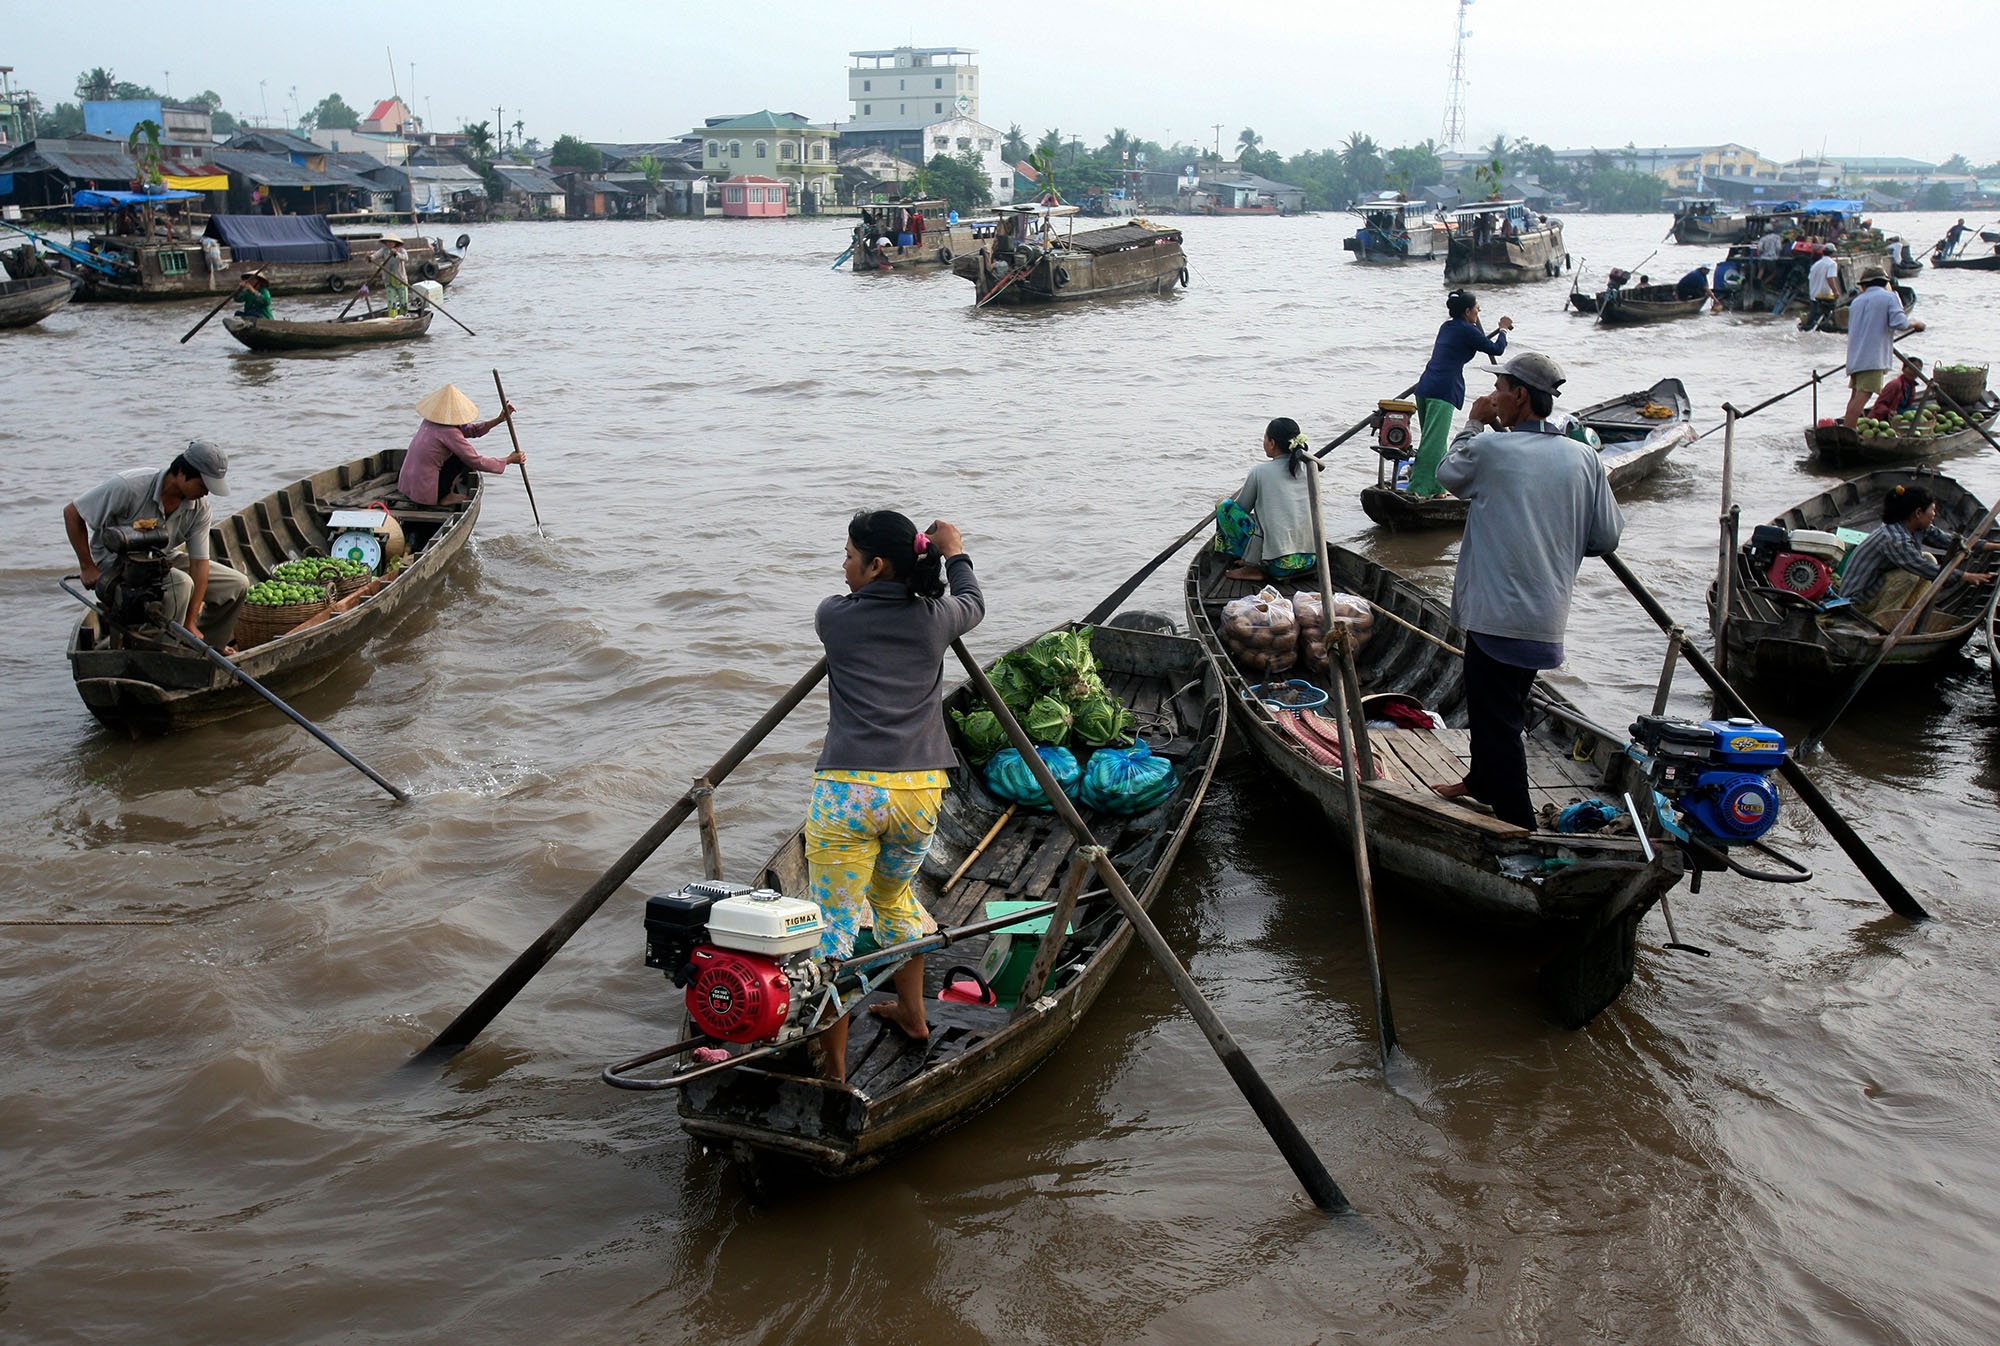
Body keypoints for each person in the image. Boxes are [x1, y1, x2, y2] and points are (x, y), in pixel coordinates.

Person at [807, 511, 984, 1082]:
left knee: (832, 930)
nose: (843, 564)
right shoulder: (936, 620)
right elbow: (973, 601)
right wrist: (953, 552)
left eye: (851, 554)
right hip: (917, 794)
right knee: (893, 897)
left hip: (848, 795)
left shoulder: (834, 617)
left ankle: (832, 1068)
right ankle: (913, 1015)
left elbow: (858, 604)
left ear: (875, 565)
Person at [1432, 352, 1622, 830]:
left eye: (1499, 388)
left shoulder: (1493, 449)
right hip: (1546, 614)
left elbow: (1447, 474)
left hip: (1497, 613)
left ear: (1519, 395)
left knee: (1499, 722)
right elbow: (1605, 538)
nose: (1492, 396)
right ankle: (1480, 780)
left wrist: (1474, 424)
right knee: (1496, 703)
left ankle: (1519, 826)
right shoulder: (1583, 456)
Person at [63, 440, 249, 650]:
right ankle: (162, 654)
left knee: (237, 584)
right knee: (181, 584)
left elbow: (200, 564)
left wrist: (190, 621)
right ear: (181, 473)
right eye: (203, 485)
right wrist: (87, 567)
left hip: (161, 558)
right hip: (117, 563)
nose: (207, 493)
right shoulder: (128, 486)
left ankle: (205, 647)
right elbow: (72, 514)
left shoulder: (199, 508)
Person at [1409, 290, 1512, 499]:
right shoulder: (1467, 330)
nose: (1479, 311)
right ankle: (1418, 489)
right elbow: (1496, 349)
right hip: (1442, 389)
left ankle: (1437, 487)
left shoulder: (1447, 326)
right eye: (1476, 308)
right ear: (1467, 312)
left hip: (1426, 386)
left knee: (1433, 439)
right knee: (1433, 442)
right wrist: (1503, 330)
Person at [1839, 484, 1997, 616]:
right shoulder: (1894, 539)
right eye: (1932, 510)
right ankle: (1879, 619)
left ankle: (1909, 612)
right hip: (1856, 600)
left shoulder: (1917, 527)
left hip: (1874, 588)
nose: (1934, 515)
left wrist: (1993, 546)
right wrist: (1966, 576)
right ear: (1918, 513)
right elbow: (1921, 567)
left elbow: (1948, 541)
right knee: (1911, 575)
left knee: (1928, 558)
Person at [1214, 417, 1318, 583]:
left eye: (1265, 437)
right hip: (1309, 560)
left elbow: (1241, 509)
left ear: (1272, 443)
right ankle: (1254, 558)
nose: (1263, 441)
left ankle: (1252, 567)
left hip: (1278, 565)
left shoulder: (1260, 471)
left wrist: (1221, 502)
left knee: (1224, 507)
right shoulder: (1310, 469)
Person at [396, 384, 526, 506]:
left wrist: (498, 420)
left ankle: (445, 491)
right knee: (463, 459)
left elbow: (471, 430)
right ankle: (445, 496)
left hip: (407, 484)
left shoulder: (429, 422)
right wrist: (508, 460)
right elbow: (476, 461)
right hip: (424, 489)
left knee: (457, 454)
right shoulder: (449, 432)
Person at [1842, 269, 1925, 428]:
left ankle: (1850, 429)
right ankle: (1849, 433)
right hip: (1872, 357)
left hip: (1855, 355)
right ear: (1885, 283)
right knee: (1863, 395)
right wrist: (1915, 324)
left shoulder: (1857, 301)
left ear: (1864, 286)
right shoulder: (1890, 297)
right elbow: (1900, 323)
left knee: (1854, 396)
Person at [1799, 244, 1842, 332]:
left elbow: (1810, 278)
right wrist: (1835, 291)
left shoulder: (1816, 264)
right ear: (1833, 253)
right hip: (1824, 294)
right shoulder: (1832, 263)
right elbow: (1830, 278)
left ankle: (1808, 327)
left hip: (1814, 294)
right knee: (1826, 312)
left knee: (1814, 313)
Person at [1866, 356, 1923, 420]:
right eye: (1911, 369)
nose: (1914, 372)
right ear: (1903, 369)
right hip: (1884, 417)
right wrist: (1889, 411)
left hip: (1900, 414)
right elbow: (1879, 405)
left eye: (1918, 370)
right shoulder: (1895, 384)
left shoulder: (1912, 387)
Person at [371, 234, 410, 315]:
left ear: (395, 243)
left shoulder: (401, 250)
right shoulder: (384, 250)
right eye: (387, 242)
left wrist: (396, 254)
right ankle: (392, 317)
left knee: (403, 302)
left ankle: (404, 315)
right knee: (391, 301)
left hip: (400, 280)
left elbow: (405, 258)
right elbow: (375, 255)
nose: (388, 243)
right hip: (389, 280)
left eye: (391, 242)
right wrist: (370, 257)